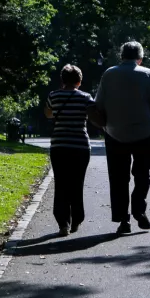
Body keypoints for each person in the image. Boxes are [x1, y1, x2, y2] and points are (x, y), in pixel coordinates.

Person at [93, 41, 150, 234]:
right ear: (140, 58)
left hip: (114, 133)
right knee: (143, 175)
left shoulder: (109, 74)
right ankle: (139, 210)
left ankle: (123, 219)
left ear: (121, 56)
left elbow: (99, 104)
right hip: (145, 132)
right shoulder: (149, 75)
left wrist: (105, 125)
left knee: (118, 178)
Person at [43, 64, 94, 236]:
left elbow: (48, 114)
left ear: (62, 80)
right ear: (79, 81)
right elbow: (93, 116)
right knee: (77, 184)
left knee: (61, 184)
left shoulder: (54, 95)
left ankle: (63, 223)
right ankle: (77, 220)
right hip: (80, 146)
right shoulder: (86, 97)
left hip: (59, 145)